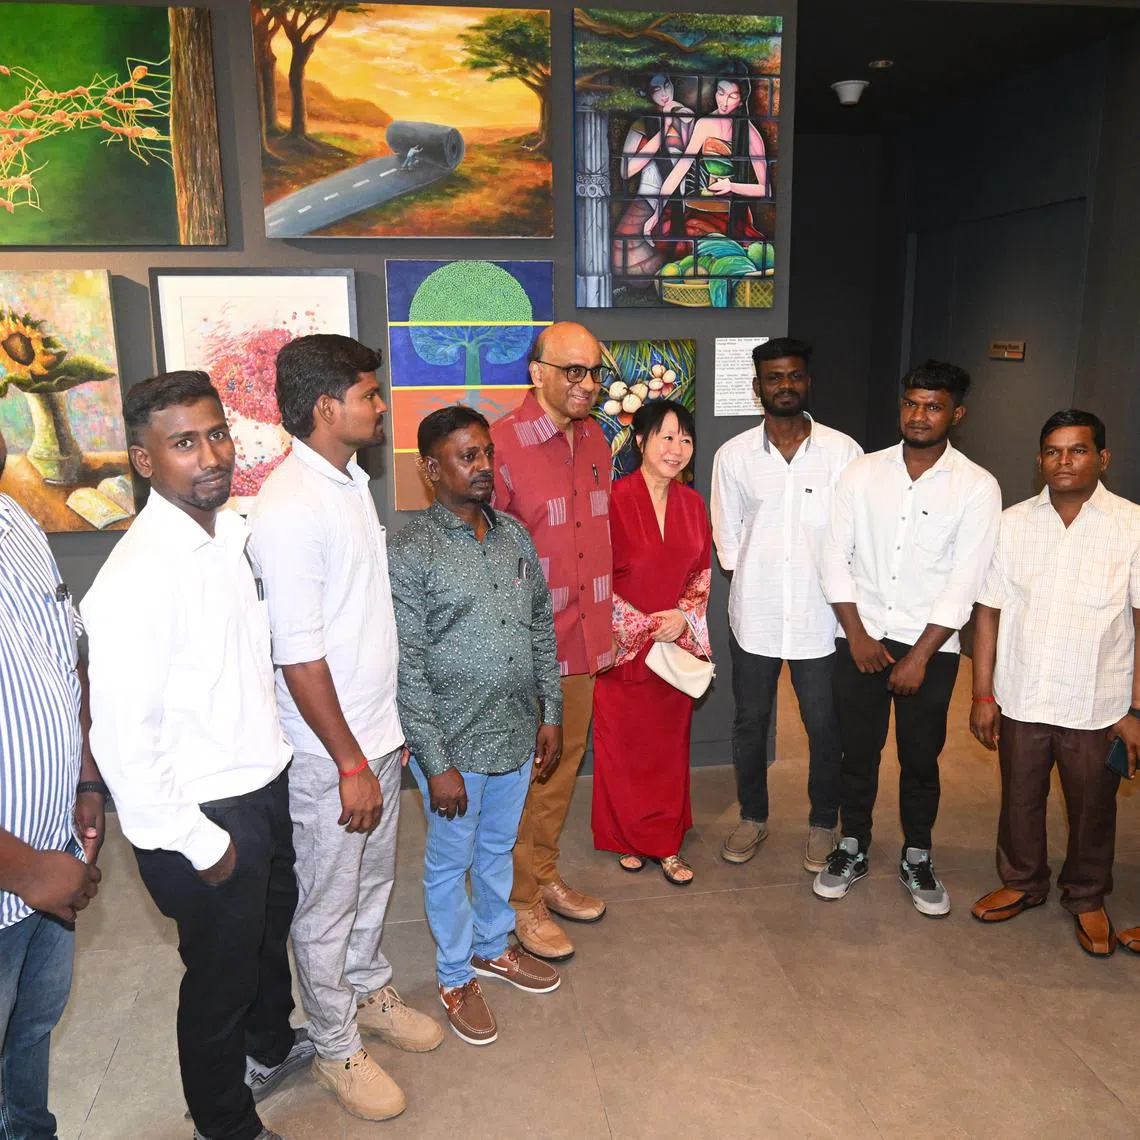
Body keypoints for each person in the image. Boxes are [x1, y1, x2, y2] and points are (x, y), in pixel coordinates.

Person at [82, 371, 311, 1140]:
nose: (211, 454)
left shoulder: (229, 536)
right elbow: (121, 741)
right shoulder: (135, 580)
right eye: (183, 443)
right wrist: (200, 843)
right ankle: (226, 1124)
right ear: (144, 461)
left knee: (265, 941)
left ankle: (270, 1047)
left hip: (260, 784)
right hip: (202, 816)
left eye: (216, 433)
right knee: (217, 982)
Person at [249, 336, 441, 1123]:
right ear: (327, 408)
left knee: (371, 883)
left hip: (375, 733)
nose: (381, 405)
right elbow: (298, 658)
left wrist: (383, 741)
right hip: (334, 754)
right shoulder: (290, 508)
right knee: (326, 902)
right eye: (370, 393)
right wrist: (352, 761)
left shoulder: (348, 483)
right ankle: (333, 1045)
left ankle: (366, 991)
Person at [389, 406, 564, 1047]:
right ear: (431, 469)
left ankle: (493, 945)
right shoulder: (411, 550)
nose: (483, 465)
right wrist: (435, 764)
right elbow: (407, 667)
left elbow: (540, 628)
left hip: (517, 734)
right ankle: (455, 973)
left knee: (497, 852)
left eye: (486, 453)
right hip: (455, 746)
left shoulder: (515, 536)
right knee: (448, 864)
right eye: (467, 456)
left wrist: (552, 711)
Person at [815, 360, 1001, 916]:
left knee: (921, 759)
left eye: (934, 406)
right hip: (861, 640)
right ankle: (852, 846)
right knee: (858, 754)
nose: (920, 415)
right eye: (912, 404)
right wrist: (857, 635)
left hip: (932, 649)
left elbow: (966, 580)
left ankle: (917, 854)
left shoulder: (976, 486)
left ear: (956, 414)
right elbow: (833, 556)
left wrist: (919, 656)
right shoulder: (861, 473)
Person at [970, 410, 1140, 957]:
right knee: (1019, 798)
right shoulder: (1013, 521)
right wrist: (982, 693)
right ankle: (1022, 880)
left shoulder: (1132, 526)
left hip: (1097, 701)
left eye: (1078, 450)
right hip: (1022, 692)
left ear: (1103, 458)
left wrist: (1135, 706)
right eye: (1053, 451)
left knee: (1094, 805)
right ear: (1039, 460)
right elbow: (989, 612)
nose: (1063, 461)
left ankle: (1087, 895)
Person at [710, 338, 862, 872]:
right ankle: (753, 815)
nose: (785, 386)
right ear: (758, 388)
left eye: (794, 376)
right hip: (756, 616)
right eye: (774, 377)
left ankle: (823, 823)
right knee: (750, 722)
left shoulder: (845, 453)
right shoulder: (733, 457)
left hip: (822, 620)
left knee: (824, 726)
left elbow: (856, 538)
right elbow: (728, 544)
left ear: (808, 382)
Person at [490, 321, 613, 962]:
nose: (586, 384)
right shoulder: (500, 446)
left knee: (562, 774)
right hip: (529, 651)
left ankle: (544, 875)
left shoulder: (596, 437)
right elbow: (486, 559)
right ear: (537, 372)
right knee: (524, 783)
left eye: (594, 372)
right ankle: (519, 902)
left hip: (586, 638)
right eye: (573, 371)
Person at [0, 426, 105, 1140]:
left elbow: (68, 656)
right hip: (23, 869)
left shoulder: (15, 521)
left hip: (53, 850)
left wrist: (86, 777)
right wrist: (31, 870)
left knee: (31, 1029)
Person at [592, 401, 711, 884]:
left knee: (667, 748)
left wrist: (682, 618)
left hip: (672, 649)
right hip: (623, 647)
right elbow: (595, 578)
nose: (676, 448)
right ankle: (624, 836)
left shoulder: (693, 503)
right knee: (621, 746)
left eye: (685, 439)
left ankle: (665, 843)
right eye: (665, 436)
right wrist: (639, 624)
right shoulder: (611, 499)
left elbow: (701, 576)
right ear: (639, 441)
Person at [648, 60, 768, 242]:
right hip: (701, 210)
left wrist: (731, 186)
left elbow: (765, 189)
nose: (724, 102)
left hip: (734, 217)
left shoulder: (751, 134)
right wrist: (656, 213)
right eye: (721, 92)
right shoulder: (704, 124)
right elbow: (680, 169)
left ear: (742, 99)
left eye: (732, 96)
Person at [611, 73, 694, 280]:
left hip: (678, 201)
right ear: (647, 93)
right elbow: (626, 170)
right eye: (657, 90)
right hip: (647, 198)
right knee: (626, 255)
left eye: (667, 86)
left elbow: (691, 135)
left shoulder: (684, 117)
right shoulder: (642, 124)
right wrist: (661, 133)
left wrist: (672, 115)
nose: (665, 94)